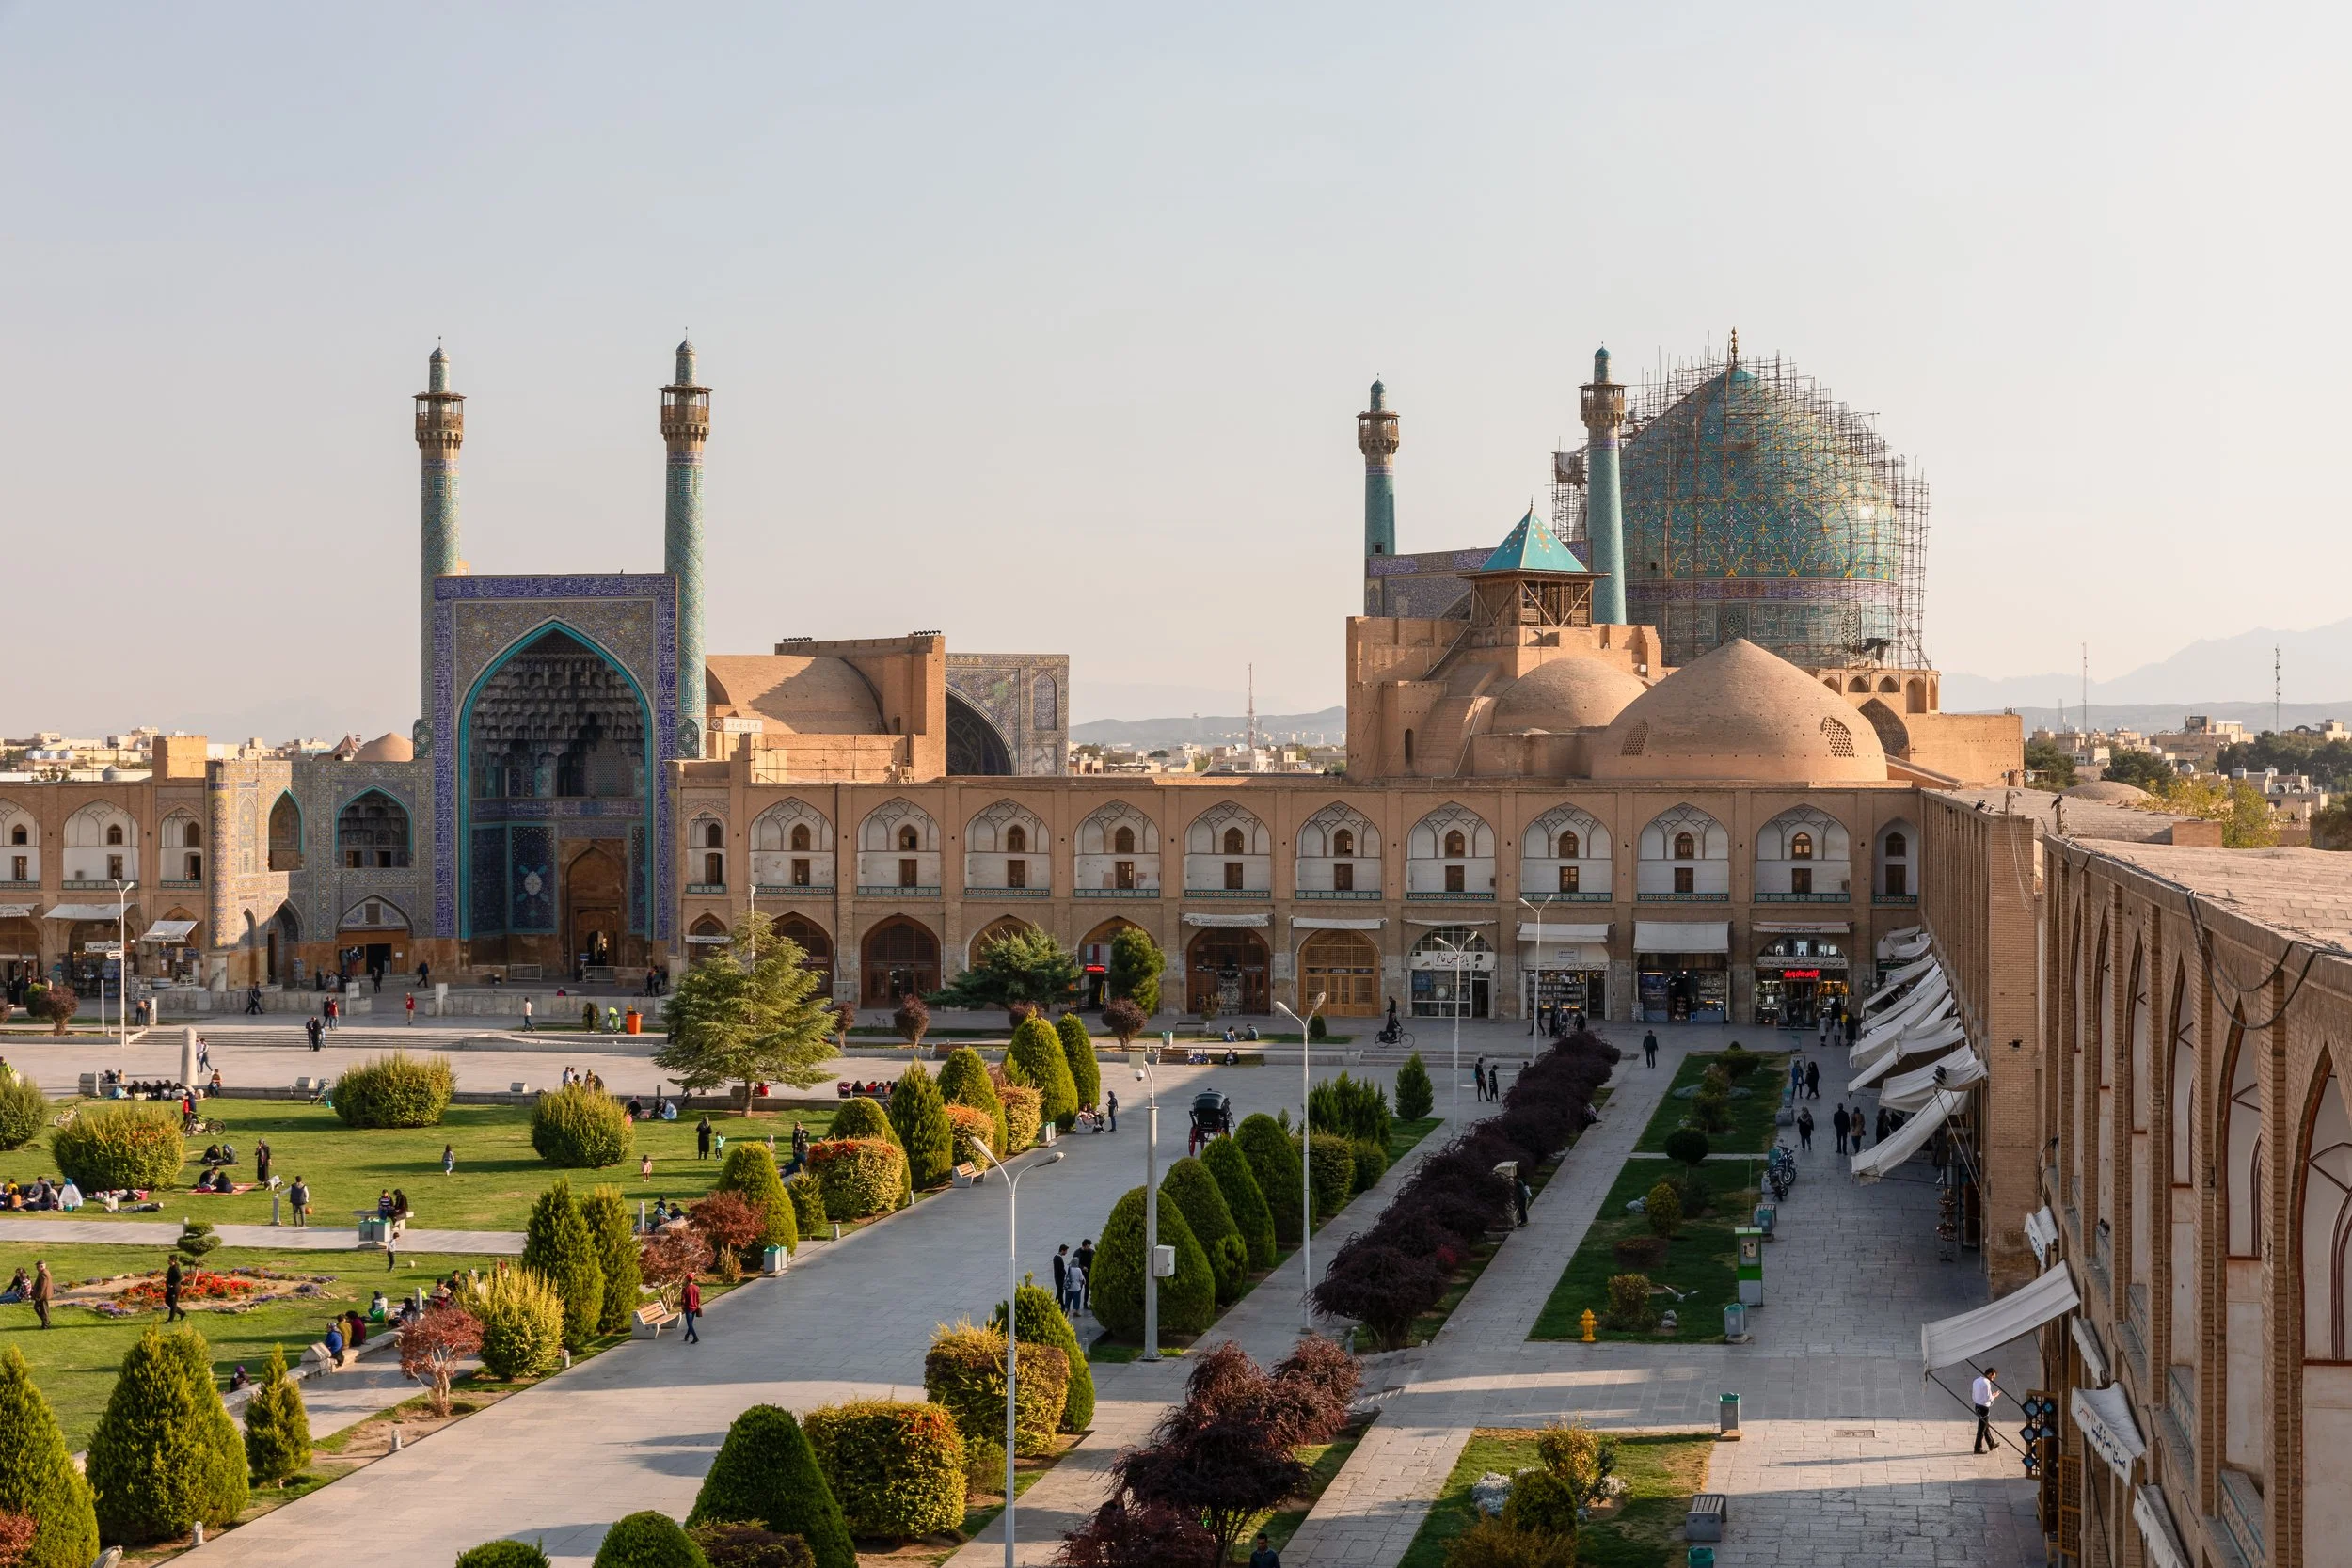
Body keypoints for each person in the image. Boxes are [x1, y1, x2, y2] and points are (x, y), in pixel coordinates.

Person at [1971, 1366, 2002, 1453]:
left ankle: (1991, 1443)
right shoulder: (1986, 1383)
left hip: (1977, 1406)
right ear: (1989, 1374)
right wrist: (1995, 1395)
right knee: (1981, 1429)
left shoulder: (1976, 1380)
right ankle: (1977, 1448)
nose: (1992, 1379)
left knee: (1985, 1426)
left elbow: (1973, 1394)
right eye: (1992, 1377)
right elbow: (1988, 1398)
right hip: (1984, 1408)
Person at [1073, 1238, 1096, 1310]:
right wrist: (1082, 1267)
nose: (1089, 1248)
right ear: (1084, 1246)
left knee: (1087, 1289)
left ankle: (1085, 1303)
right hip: (1079, 1274)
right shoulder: (1077, 1253)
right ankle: (1076, 1305)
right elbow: (1074, 1264)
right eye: (1088, 1246)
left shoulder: (1091, 1252)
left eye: (1089, 1246)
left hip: (1088, 1274)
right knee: (1078, 1289)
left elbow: (1096, 1256)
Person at [680, 1273, 703, 1345]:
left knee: (689, 1324)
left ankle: (695, 1337)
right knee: (691, 1324)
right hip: (695, 1308)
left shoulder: (685, 1289)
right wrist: (698, 1305)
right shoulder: (697, 1287)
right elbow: (698, 1298)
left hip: (688, 1308)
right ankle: (686, 1336)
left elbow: (683, 1300)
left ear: (687, 1279)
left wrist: (682, 1307)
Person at [164, 1256, 185, 1323]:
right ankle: (181, 1313)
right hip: (170, 1288)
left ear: (173, 1261)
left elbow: (180, 1277)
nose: (168, 1261)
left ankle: (170, 1320)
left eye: (169, 1260)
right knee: (167, 1301)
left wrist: (173, 1284)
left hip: (175, 1289)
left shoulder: (175, 1268)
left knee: (173, 1304)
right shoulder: (172, 1267)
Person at [29, 1260, 50, 1328]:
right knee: (41, 1308)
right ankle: (45, 1321)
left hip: (43, 1295)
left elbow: (43, 1286)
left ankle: (46, 1323)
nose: (36, 1268)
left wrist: (39, 1296)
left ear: (41, 1266)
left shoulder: (43, 1273)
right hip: (43, 1295)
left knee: (43, 1309)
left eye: (37, 1267)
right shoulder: (43, 1272)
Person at [1053, 1244, 1070, 1309]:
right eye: (1066, 1251)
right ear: (1062, 1250)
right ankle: (1057, 1305)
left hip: (1058, 1277)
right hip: (1059, 1278)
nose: (1066, 1253)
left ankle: (1061, 1305)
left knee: (1060, 1291)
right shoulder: (1058, 1258)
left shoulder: (1056, 1257)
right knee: (1060, 1292)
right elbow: (1060, 1270)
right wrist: (1065, 1272)